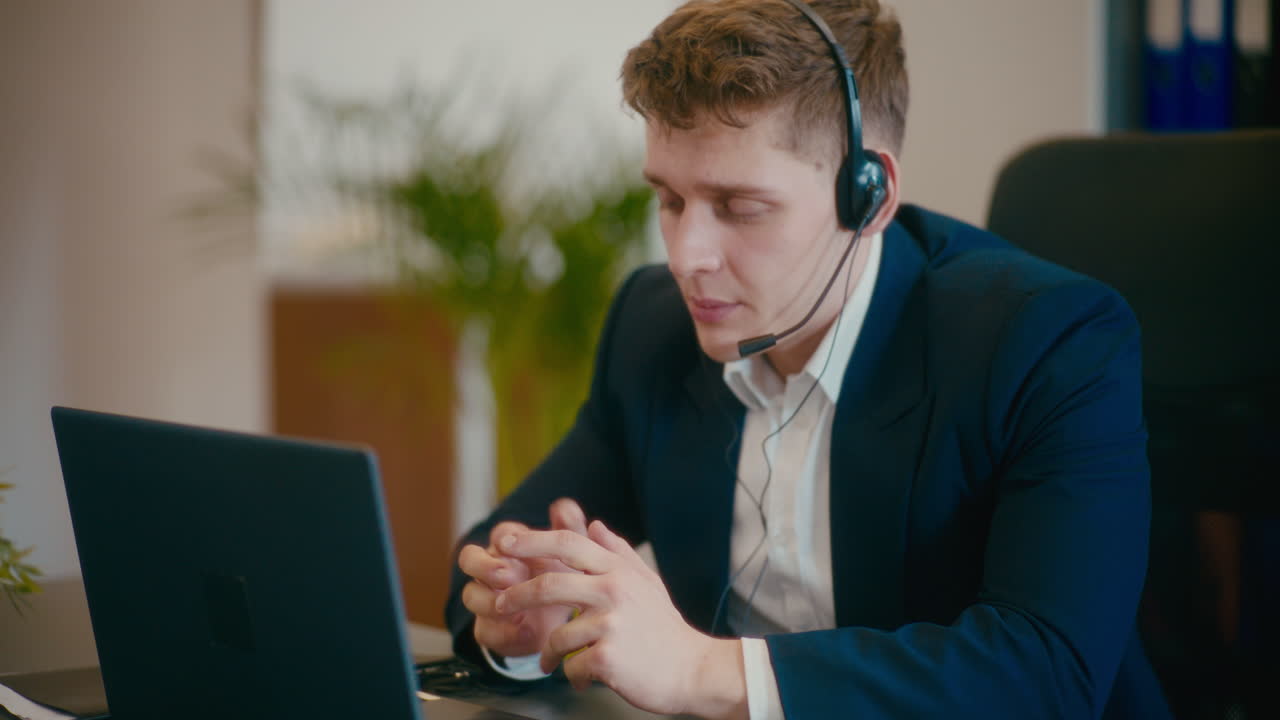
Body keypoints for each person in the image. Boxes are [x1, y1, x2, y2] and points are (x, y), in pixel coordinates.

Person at [447, 1, 1171, 717]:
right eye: (668, 198)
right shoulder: (651, 325)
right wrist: (519, 617)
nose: (686, 257)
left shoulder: (1046, 341)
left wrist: (707, 668)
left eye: (739, 207)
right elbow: (496, 553)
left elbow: (1047, 671)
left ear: (870, 195)